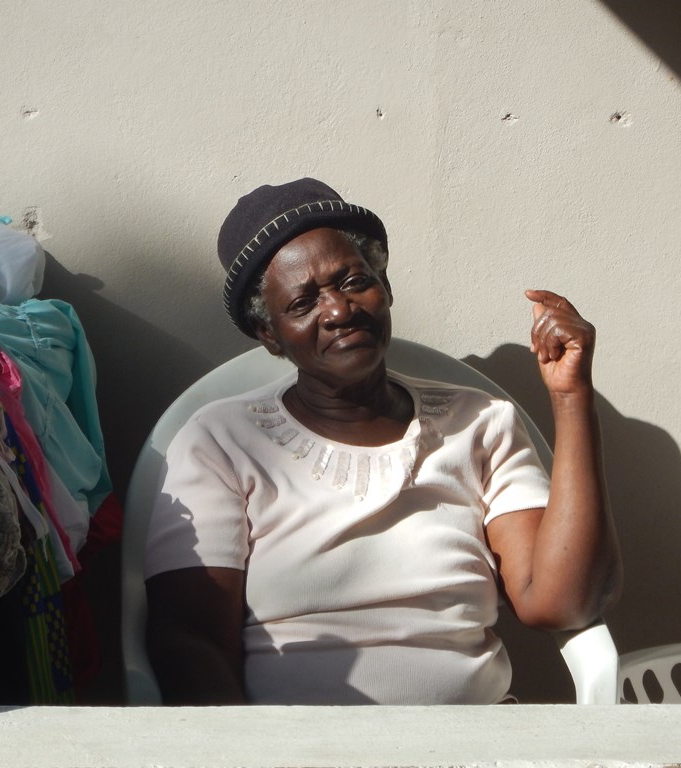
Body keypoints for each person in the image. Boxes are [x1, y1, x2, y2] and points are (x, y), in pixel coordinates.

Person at [143, 178, 622, 705]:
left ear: (386, 288)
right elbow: (189, 639)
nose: (338, 310)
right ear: (271, 335)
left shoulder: (481, 422)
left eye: (353, 281)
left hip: (478, 747)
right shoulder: (221, 441)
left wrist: (571, 397)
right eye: (303, 303)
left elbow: (561, 603)